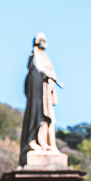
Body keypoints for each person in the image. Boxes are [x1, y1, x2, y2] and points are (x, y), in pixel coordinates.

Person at [19, 32, 62, 164]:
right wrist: (48, 74)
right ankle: (37, 142)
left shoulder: (46, 57)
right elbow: (37, 70)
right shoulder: (35, 56)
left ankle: (48, 144)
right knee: (40, 118)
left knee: (49, 120)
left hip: (47, 95)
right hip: (39, 97)